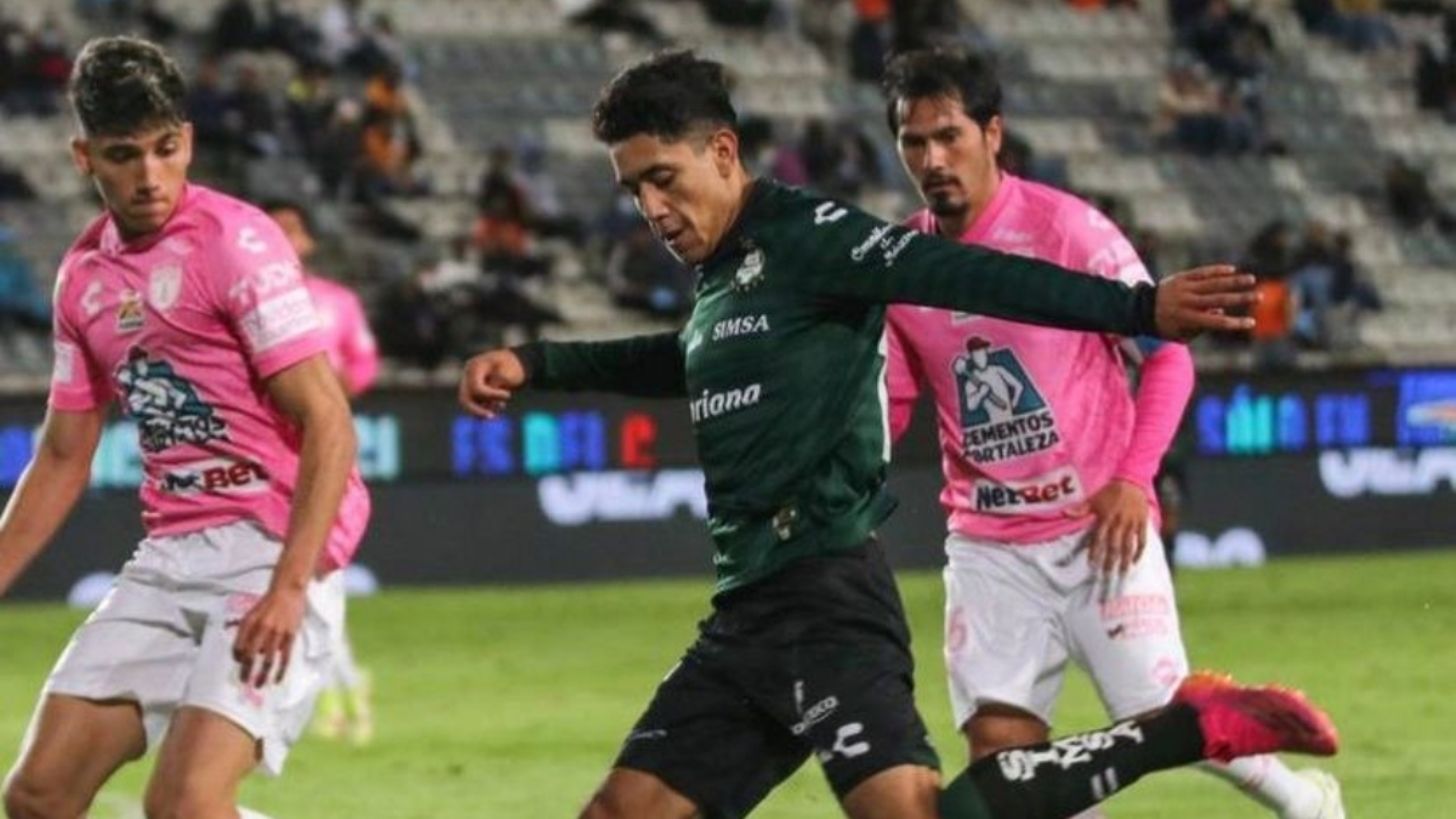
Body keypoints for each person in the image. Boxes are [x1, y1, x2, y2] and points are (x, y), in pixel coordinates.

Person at [458, 50, 1337, 819]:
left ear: (722, 152)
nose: (651, 207)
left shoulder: (814, 236)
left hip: (828, 600)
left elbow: (968, 274)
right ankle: (1183, 728)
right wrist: (537, 363)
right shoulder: (726, 277)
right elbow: (687, 356)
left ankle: (1183, 729)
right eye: (634, 189)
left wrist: (1137, 308)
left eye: (663, 178)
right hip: (749, 612)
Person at [879, 49, 1344, 819]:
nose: (932, 159)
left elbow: (1168, 359)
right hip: (990, 547)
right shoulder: (902, 266)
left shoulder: (1067, 232)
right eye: (913, 141)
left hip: (1099, 528)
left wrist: (1133, 478)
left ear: (992, 133)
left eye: (948, 136)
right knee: (1006, 765)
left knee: (1164, 719)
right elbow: (890, 407)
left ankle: (1305, 802)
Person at [0, 36, 369, 819]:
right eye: (123, 154)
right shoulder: (83, 277)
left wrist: (289, 587)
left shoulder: (235, 243)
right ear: (83, 158)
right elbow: (63, 454)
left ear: (189, 141)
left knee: (185, 806)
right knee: (36, 797)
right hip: (171, 553)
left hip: (272, 545)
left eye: (165, 149)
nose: (149, 176)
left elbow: (329, 420)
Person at [264, 198, 379, 745]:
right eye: (275, 230)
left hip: (322, 449)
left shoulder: (336, 302)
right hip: (266, 452)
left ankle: (333, 689)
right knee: (298, 576)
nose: (287, 239)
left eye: (293, 229)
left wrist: (325, 401)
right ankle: (341, 686)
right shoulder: (245, 301)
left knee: (314, 571)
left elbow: (364, 361)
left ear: (308, 240)